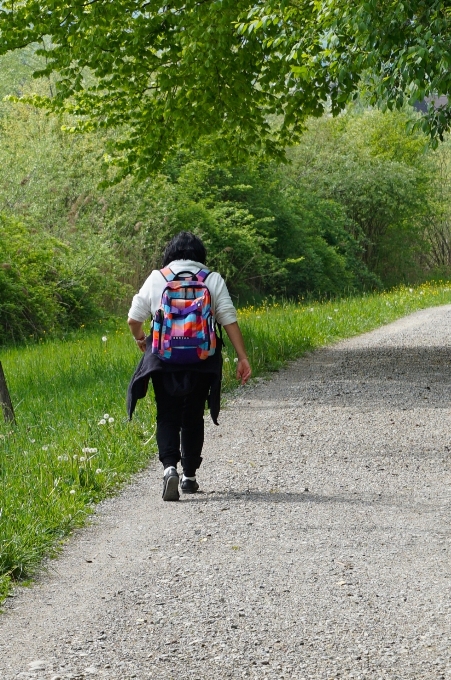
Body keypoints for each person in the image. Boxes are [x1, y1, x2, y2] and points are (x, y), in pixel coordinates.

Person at [127, 231, 251, 501]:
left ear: (169, 254)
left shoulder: (157, 278)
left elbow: (133, 318)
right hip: (202, 359)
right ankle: (189, 477)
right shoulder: (211, 279)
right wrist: (242, 357)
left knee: (167, 413)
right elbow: (228, 319)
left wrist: (141, 340)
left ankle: (169, 468)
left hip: (164, 358)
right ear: (200, 255)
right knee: (193, 415)